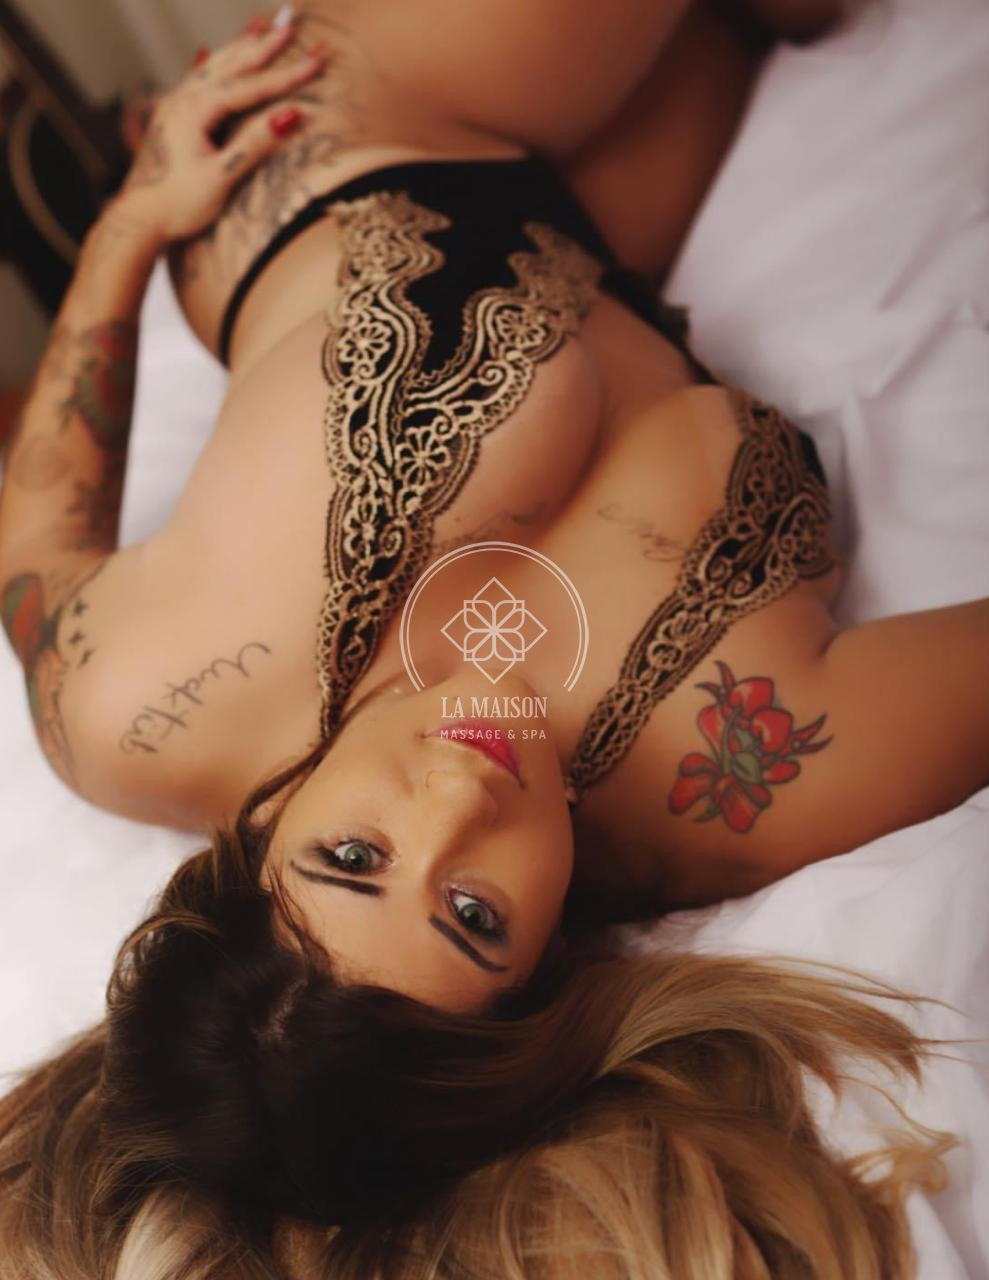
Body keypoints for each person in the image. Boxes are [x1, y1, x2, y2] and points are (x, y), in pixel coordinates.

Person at [0, 1, 976, 1274]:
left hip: (367, 136)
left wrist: (130, 224)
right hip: (617, 253)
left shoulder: (143, 706)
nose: (458, 793)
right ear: (545, 962)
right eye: (470, 912)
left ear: (261, 829)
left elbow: (36, 542)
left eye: (353, 853)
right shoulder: (742, 779)